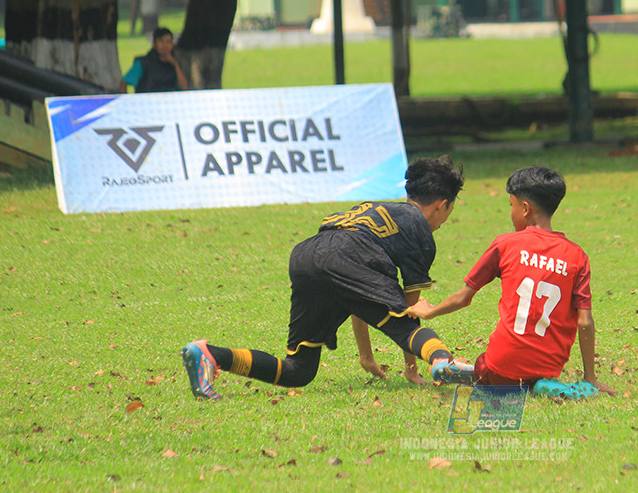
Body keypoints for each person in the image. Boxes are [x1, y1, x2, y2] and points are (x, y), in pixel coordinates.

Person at [181, 156, 473, 400]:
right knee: (405, 326)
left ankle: (210, 354)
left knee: (300, 370)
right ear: (441, 205)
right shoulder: (418, 227)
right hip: (350, 256)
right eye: (449, 211)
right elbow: (405, 311)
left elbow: (361, 298)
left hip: (308, 255)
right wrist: (414, 366)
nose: (444, 221)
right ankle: (443, 361)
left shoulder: (376, 209)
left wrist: (366, 356)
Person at [409, 166, 616, 397]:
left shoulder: (505, 244)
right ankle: (543, 385)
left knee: (486, 367)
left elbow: (463, 297)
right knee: (533, 377)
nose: (511, 212)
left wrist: (429, 311)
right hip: (548, 367)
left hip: (501, 365)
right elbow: (585, 321)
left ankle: (464, 372)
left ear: (525, 208)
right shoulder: (577, 256)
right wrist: (590, 377)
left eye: (511, 205)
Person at [118, 27, 189, 93]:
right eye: (161, 41)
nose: (165, 46)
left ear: (172, 45)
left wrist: (175, 64)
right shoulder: (143, 63)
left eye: (168, 42)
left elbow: (184, 87)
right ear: (154, 44)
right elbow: (123, 84)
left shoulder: (176, 64)